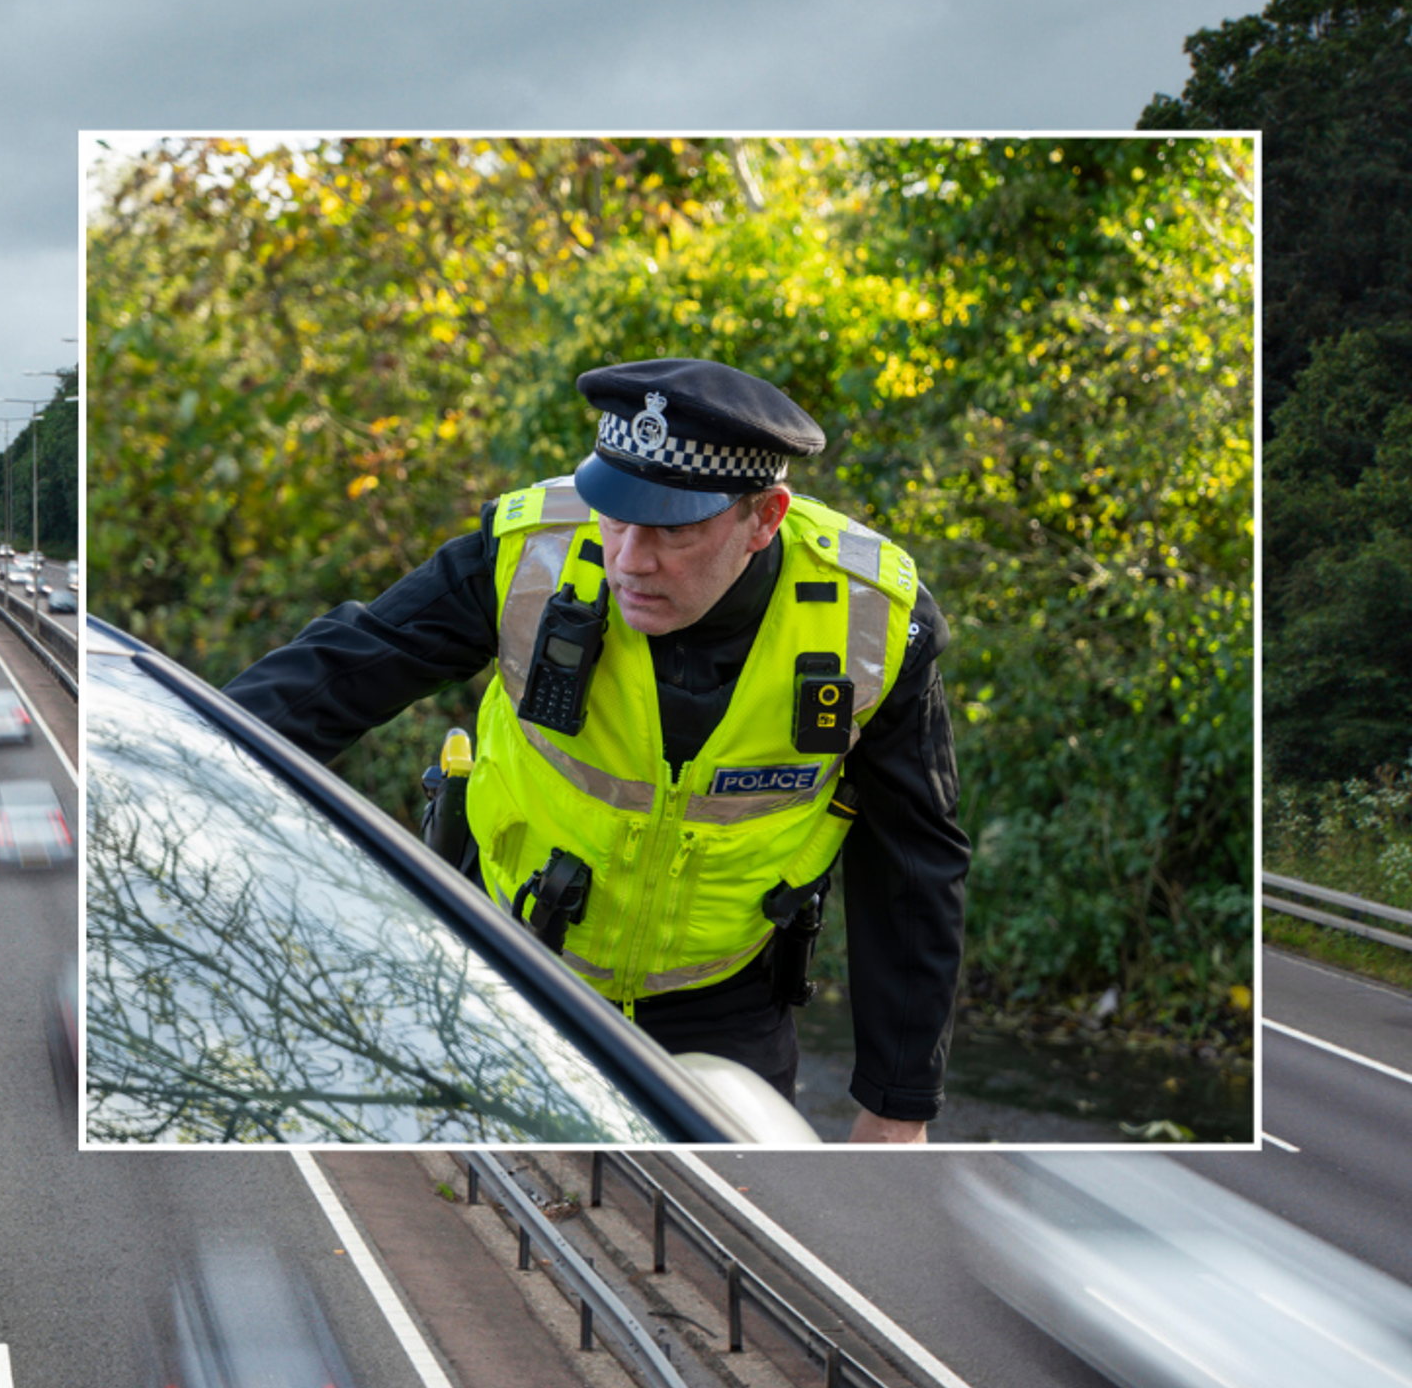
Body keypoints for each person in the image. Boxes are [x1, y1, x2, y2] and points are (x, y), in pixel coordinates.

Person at [225, 358, 970, 1142]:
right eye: (614, 515)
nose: (629, 559)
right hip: (505, 964)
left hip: (724, 1007)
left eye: (674, 529)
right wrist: (179, 763)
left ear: (765, 517)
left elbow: (913, 862)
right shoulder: (529, 553)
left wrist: (896, 1108)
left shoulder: (872, 621)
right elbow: (340, 670)